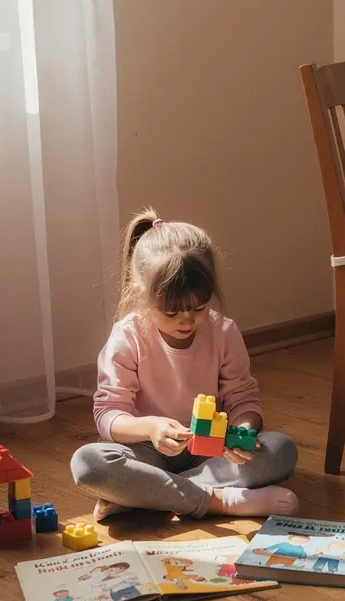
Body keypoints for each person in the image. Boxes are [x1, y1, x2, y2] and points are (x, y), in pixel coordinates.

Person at [70, 209, 299, 521]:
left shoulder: (223, 332)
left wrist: (241, 431)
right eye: (171, 311)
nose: (187, 320)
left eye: (199, 307)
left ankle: (145, 495)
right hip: (146, 451)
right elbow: (108, 413)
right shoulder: (128, 335)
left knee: (280, 451)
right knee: (88, 463)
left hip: (210, 451)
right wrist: (151, 428)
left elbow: (243, 398)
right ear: (144, 295)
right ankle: (219, 501)